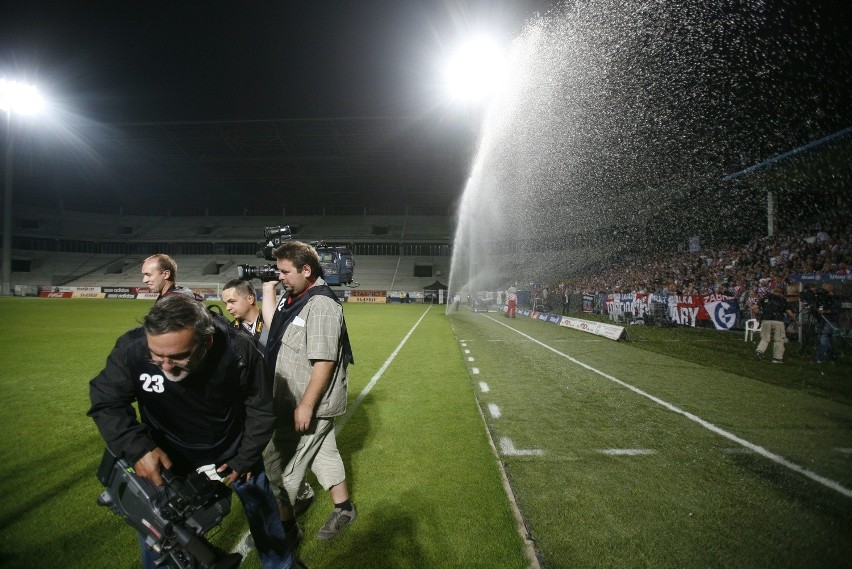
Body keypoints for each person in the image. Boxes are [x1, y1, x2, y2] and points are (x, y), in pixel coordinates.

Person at [88, 294, 301, 569]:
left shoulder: (239, 350)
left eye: (178, 356)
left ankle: (280, 564)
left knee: (262, 511)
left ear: (206, 342)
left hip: (233, 451)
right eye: (156, 357)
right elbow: (106, 401)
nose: (165, 367)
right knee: (160, 531)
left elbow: (261, 409)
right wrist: (138, 448)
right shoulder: (131, 348)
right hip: (168, 457)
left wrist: (245, 457)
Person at [263, 241, 356, 544]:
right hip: (290, 400)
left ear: (306, 269)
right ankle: (344, 508)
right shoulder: (292, 298)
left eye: (285, 272)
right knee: (324, 455)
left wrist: (306, 405)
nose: (281, 278)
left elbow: (325, 361)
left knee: (284, 466)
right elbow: (272, 325)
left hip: (307, 403)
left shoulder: (322, 305)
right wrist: (267, 288)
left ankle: (285, 528)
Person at [754, 286, 799, 364]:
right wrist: (796, 321)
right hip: (778, 321)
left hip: (766, 320)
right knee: (779, 340)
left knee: (765, 338)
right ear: (780, 293)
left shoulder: (765, 298)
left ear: (772, 291)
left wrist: (759, 315)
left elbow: (754, 307)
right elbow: (789, 311)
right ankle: (777, 359)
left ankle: (759, 351)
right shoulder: (782, 299)